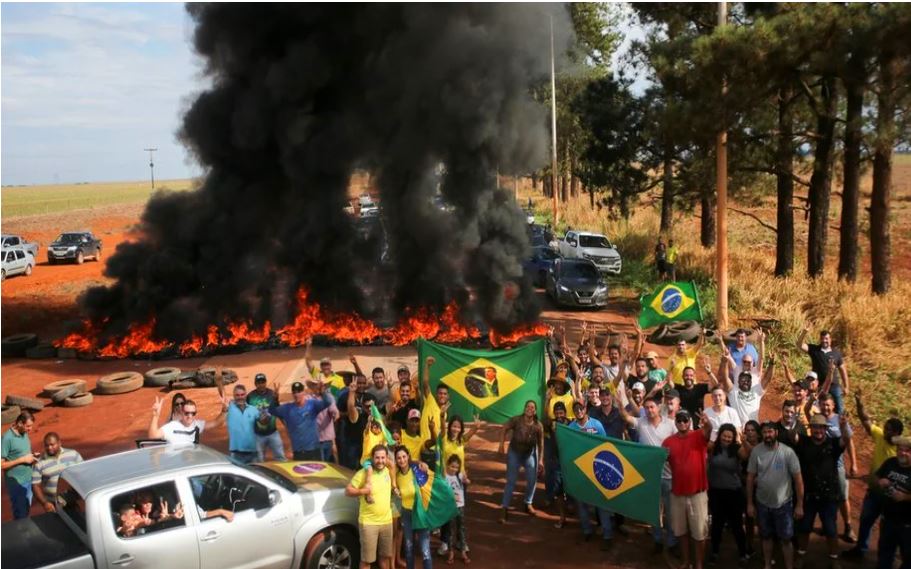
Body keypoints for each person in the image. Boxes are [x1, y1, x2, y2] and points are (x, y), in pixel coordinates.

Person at [843, 388, 904, 559]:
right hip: (874, 492)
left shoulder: (903, 448)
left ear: (898, 433)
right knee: (865, 521)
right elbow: (865, 420)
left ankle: (886, 559)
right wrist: (859, 401)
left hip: (891, 496)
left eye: (889, 430)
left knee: (888, 530)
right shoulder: (879, 436)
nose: (885, 432)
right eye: (885, 428)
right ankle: (861, 550)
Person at [618, 395, 677, 553]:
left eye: (652, 407)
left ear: (658, 408)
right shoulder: (641, 422)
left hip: (669, 475)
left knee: (671, 513)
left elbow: (680, 442)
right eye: (647, 408)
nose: (650, 410)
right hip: (650, 476)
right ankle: (657, 540)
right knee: (654, 512)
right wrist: (619, 401)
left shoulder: (671, 425)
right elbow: (625, 416)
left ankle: (671, 543)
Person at [795, 414, 852, 569]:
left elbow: (846, 439)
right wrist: (794, 419)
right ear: (810, 429)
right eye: (815, 427)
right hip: (808, 495)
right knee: (805, 527)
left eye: (821, 427)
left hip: (829, 496)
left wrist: (844, 426)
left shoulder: (833, 444)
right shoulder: (804, 442)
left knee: (830, 529)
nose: (818, 430)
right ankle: (801, 554)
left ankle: (834, 559)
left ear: (825, 429)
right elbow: (791, 435)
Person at [747, 422, 804, 569]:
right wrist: (750, 503)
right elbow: (750, 478)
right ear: (762, 434)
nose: (767, 435)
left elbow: (798, 479)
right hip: (762, 503)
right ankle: (767, 564)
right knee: (765, 537)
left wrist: (799, 505)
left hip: (783, 504)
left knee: (786, 539)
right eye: (765, 432)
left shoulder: (788, 452)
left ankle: (789, 566)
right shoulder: (756, 452)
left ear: (776, 433)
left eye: (770, 432)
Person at [663, 410, 712, 569]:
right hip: (677, 493)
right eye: (679, 420)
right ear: (675, 422)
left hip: (697, 493)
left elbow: (708, 431)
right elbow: (657, 459)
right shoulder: (668, 442)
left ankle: (698, 564)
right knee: (681, 532)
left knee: (699, 533)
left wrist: (707, 423)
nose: (682, 423)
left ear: (690, 421)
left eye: (685, 420)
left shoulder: (698, 435)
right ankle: (686, 562)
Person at [568, 401, 614, 549]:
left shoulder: (597, 425)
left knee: (601, 503)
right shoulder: (571, 427)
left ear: (585, 409)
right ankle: (587, 530)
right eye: (576, 409)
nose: (579, 411)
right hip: (580, 470)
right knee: (581, 502)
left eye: (581, 408)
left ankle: (607, 535)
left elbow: (606, 444)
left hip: (597, 469)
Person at [818, 392, 858, 543]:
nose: (825, 408)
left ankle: (848, 527)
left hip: (837, 465)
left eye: (828, 405)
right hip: (821, 466)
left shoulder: (839, 420)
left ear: (833, 405)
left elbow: (849, 442)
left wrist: (854, 463)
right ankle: (827, 524)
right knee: (824, 496)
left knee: (842, 496)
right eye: (822, 405)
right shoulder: (818, 419)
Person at [346, 445, 394, 569]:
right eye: (377, 458)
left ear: (387, 458)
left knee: (385, 557)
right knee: (367, 561)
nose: (380, 461)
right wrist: (364, 491)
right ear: (372, 458)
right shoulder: (363, 473)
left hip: (387, 522)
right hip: (369, 523)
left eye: (383, 458)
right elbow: (348, 491)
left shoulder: (388, 470)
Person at [707, 423, 748, 564]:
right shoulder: (713, 448)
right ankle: (714, 551)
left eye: (730, 437)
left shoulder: (737, 449)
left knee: (736, 525)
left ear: (733, 438)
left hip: (733, 492)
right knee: (717, 524)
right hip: (716, 492)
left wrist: (745, 441)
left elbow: (747, 455)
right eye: (724, 436)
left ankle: (743, 553)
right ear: (720, 436)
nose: (727, 439)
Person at [498, 400, 544, 523]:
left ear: (535, 411)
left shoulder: (538, 425)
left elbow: (541, 443)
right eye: (527, 406)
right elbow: (504, 428)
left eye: (532, 407)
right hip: (514, 453)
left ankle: (528, 503)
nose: (529, 408)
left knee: (532, 480)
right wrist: (501, 444)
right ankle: (504, 507)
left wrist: (540, 460)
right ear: (524, 408)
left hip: (529, 455)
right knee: (511, 481)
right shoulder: (516, 420)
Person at [272, 379, 335, 460]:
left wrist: (323, 392)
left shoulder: (312, 404)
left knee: (317, 472)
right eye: (294, 392)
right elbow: (273, 411)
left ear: (303, 392)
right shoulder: (288, 408)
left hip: (313, 450)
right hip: (298, 452)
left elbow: (327, 403)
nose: (296, 394)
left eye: (299, 391)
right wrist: (274, 399)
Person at [873, 435, 911, 569]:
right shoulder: (890, 462)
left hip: (907, 524)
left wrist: (905, 497)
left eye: (907, 450)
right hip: (888, 519)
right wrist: (880, 482)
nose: (903, 453)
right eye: (900, 449)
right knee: (884, 555)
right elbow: (877, 476)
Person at [391, 446, 432, 569]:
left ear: (408, 456)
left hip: (420, 513)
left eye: (404, 457)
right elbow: (395, 495)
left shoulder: (416, 470)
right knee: (408, 548)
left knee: (425, 550)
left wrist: (425, 467)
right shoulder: (397, 476)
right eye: (398, 458)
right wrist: (395, 490)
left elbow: (429, 483)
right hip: (406, 514)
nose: (402, 460)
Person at [798, 327, 849, 414]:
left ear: (830, 339)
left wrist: (846, 386)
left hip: (834, 385)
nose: (824, 341)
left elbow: (843, 370)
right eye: (822, 339)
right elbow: (799, 345)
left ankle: (841, 425)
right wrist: (804, 332)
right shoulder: (814, 350)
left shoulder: (836, 353)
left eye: (826, 339)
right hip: (819, 386)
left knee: (839, 408)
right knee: (818, 408)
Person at [31, 432, 83, 513]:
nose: (49, 448)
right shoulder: (39, 463)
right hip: (53, 506)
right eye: (46, 445)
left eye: (52, 444)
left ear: (59, 443)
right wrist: (45, 503)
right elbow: (35, 486)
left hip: (74, 501)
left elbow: (84, 473)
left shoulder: (73, 455)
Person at [1, 411, 37, 518]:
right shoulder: (6, 439)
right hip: (16, 484)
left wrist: (32, 456)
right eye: (28, 426)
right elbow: (1, 465)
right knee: (20, 515)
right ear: (20, 423)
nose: (30, 429)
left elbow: (24, 452)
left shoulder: (24, 433)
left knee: (26, 509)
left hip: (29, 479)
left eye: (31, 426)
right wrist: (22, 460)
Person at [721, 355, 775, 425]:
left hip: (754, 430)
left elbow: (767, 379)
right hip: (738, 429)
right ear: (738, 381)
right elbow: (725, 378)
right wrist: (725, 363)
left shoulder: (757, 391)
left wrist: (772, 363)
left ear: (751, 382)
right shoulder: (733, 391)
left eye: (747, 379)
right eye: (742, 379)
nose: (745, 381)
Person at [340, 373, 378, 469]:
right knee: (350, 468)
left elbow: (378, 415)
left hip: (367, 441)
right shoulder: (345, 397)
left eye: (363, 383)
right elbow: (338, 413)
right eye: (359, 383)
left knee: (365, 467)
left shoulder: (371, 397)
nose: (361, 385)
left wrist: (368, 411)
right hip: (351, 439)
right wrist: (350, 413)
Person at [246, 373, 286, 461]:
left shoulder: (272, 394)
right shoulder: (250, 397)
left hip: (273, 432)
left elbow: (277, 410)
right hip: (257, 435)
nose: (261, 385)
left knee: (281, 458)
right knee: (259, 461)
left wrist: (276, 399)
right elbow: (247, 414)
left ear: (265, 382)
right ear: (255, 384)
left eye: (263, 382)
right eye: (258, 383)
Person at [543, 401, 571, 529]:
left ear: (565, 413)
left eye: (561, 413)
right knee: (559, 491)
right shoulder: (551, 424)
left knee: (572, 489)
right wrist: (547, 401)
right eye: (557, 413)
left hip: (570, 463)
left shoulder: (571, 424)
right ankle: (562, 517)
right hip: (557, 463)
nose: (559, 415)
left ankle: (572, 509)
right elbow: (545, 417)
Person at [223, 384, 260, 464]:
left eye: (242, 394)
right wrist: (218, 379)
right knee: (238, 476)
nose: (240, 397)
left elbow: (263, 422)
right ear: (234, 396)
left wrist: (265, 418)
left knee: (255, 475)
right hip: (236, 453)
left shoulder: (253, 410)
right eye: (237, 395)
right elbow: (222, 393)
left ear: (246, 395)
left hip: (253, 452)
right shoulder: (230, 408)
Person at [444, 455, 470, 565]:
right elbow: (443, 492)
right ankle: (451, 553)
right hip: (450, 508)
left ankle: (463, 552)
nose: (454, 469)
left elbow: (467, 482)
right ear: (448, 465)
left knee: (461, 529)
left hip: (460, 506)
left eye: (456, 467)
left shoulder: (459, 476)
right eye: (452, 466)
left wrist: (466, 480)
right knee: (450, 530)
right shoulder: (445, 478)